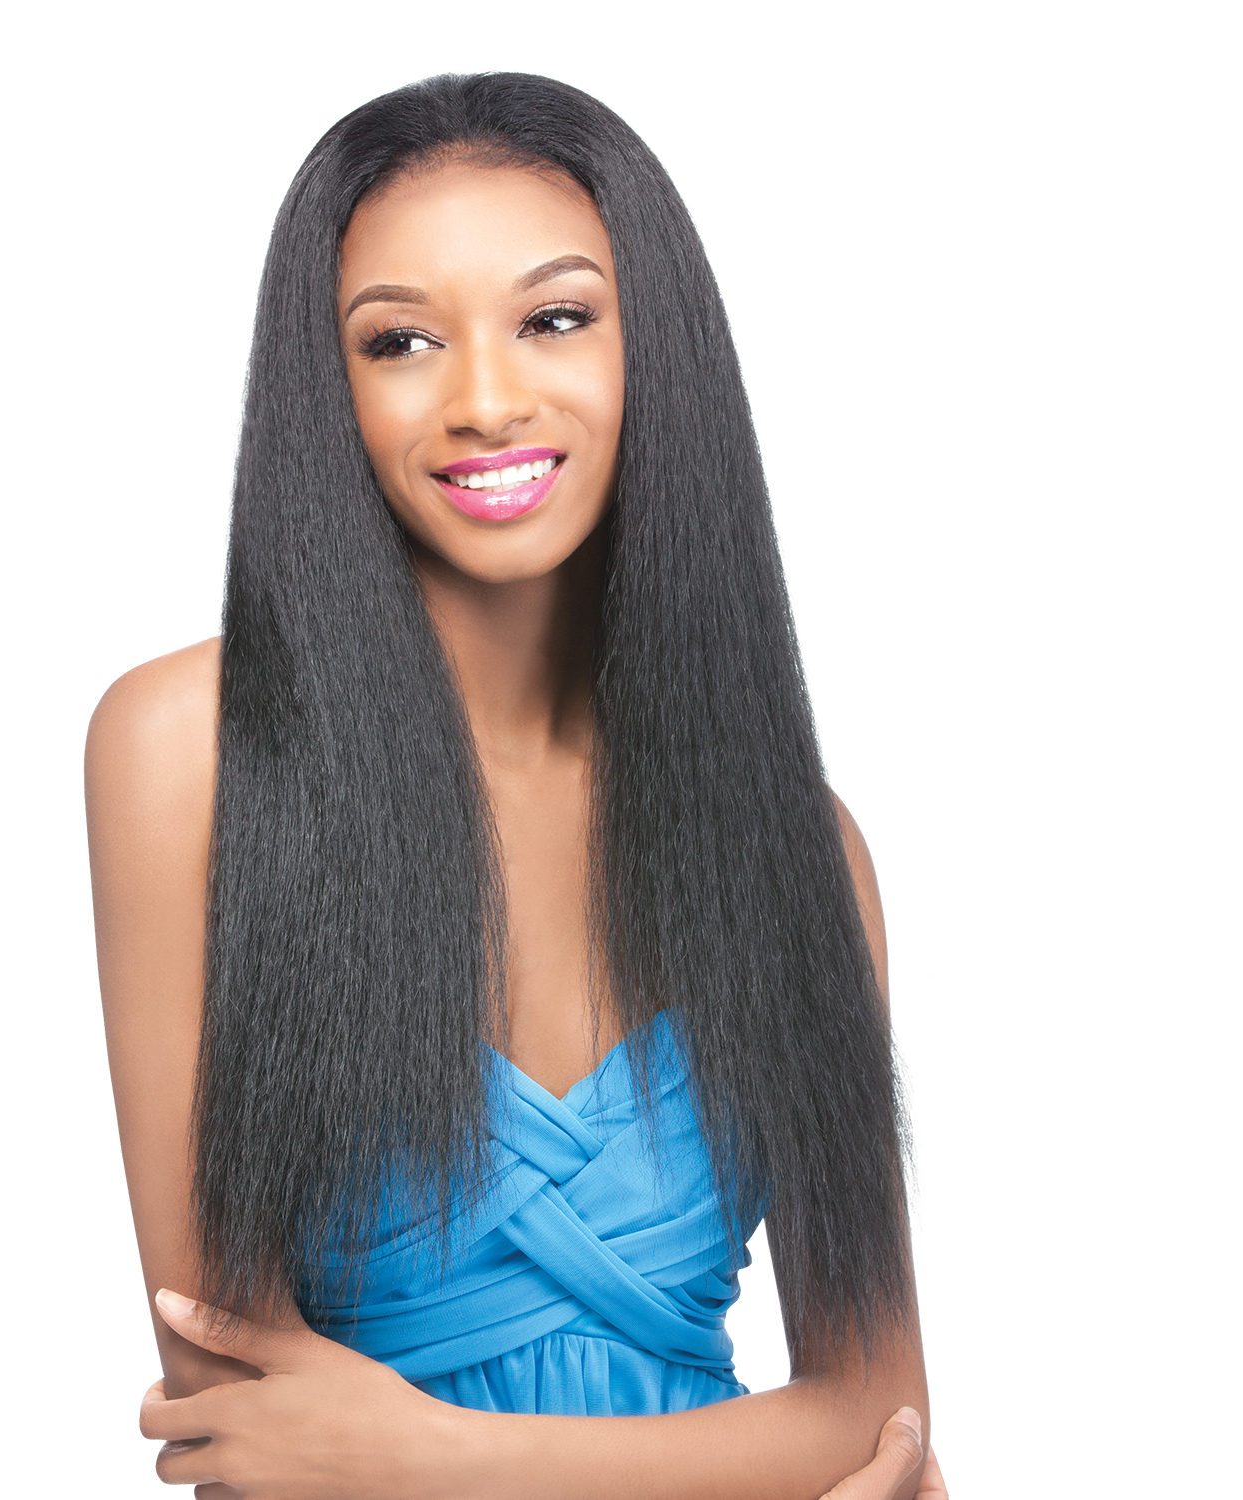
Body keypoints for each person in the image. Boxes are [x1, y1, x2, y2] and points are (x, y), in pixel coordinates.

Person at [87, 73, 945, 1498]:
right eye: (401, 341)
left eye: (555, 319)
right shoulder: (186, 753)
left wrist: (428, 1456)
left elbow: (885, 1421)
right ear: (329, 389)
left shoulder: (801, 846)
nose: (485, 401)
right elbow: (239, 1427)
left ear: (654, 345)